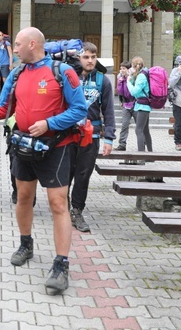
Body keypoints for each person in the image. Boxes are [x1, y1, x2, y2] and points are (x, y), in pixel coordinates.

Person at [0, 27, 87, 293]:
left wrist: (49, 123)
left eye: (18, 44)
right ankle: (25, 244)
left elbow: (80, 109)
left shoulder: (63, 72)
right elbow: (3, 108)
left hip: (57, 147)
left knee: (58, 204)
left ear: (32, 44)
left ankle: (61, 263)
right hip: (23, 145)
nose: (15, 49)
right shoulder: (16, 73)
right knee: (23, 197)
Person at [67, 43, 116, 233]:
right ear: (79, 58)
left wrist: (109, 138)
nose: (90, 60)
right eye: (86, 57)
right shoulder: (70, 77)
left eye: (93, 57)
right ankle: (63, 208)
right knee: (65, 173)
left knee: (83, 175)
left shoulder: (103, 81)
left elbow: (109, 111)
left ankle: (77, 211)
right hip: (68, 134)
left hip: (91, 135)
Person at [127, 56, 153, 156]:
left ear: (134, 66)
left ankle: (141, 155)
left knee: (139, 130)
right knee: (145, 130)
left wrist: (128, 81)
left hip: (143, 106)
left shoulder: (142, 76)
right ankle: (150, 155)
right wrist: (132, 76)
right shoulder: (142, 74)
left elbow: (134, 91)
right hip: (142, 106)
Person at [114, 61, 135, 151]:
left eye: (124, 69)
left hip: (135, 103)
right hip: (126, 104)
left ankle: (143, 144)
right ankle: (122, 144)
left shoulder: (134, 77)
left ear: (129, 69)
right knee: (124, 125)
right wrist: (120, 82)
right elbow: (120, 92)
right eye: (121, 68)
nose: (121, 70)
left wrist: (128, 80)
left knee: (140, 127)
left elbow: (133, 91)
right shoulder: (120, 78)